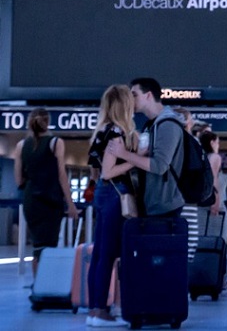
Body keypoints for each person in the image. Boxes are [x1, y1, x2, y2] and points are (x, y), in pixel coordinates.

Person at [86, 85, 138, 326]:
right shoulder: (116, 132)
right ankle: (101, 311)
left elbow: (97, 172)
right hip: (116, 195)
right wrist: (135, 160)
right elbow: (108, 171)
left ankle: (94, 309)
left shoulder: (100, 131)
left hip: (102, 195)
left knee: (98, 254)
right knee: (107, 255)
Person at [107, 77, 186, 220]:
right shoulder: (151, 125)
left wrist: (123, 154)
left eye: (134, 95)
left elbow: (159, 166)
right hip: (153, 205)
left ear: (148, 95)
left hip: (164, 207)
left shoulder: (168, 125)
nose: (131, 99)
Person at [14, 107, 79, 276]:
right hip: (50, 200)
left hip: (31, 201)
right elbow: (61, 175)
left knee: (38, 245)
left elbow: (18, 179)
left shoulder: (21, 145)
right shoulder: (55, 142)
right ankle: (45, 285)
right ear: (48, 122)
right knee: (48, 244)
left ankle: (38, 285)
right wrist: (70, 204)